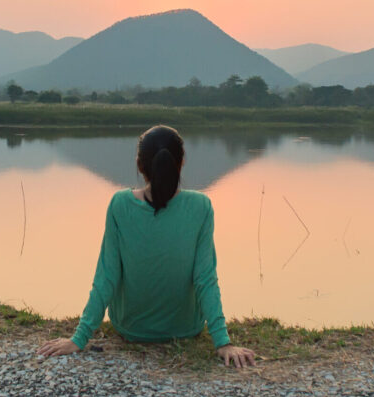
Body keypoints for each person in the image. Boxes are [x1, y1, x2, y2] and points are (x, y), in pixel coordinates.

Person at [37, 125, 257, 368]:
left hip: (131, 328)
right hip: (185, 328)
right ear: (181, 163)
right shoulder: (201, 206)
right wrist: (222, 342)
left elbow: (107, 276)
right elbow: (205, 278)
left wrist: (79, 338)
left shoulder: (120, 204)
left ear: (139, 165)